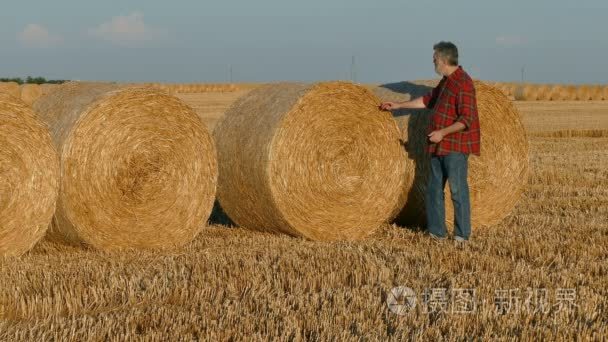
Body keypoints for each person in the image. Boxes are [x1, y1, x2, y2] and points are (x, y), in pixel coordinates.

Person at [380, 41, 481, 242]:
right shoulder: (446, 81)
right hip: (438, 145)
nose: (433, 62)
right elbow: (427, 100)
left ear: (443, 59)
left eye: (434, 58)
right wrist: (398, 105)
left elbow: (466, 119)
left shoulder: (463, 83)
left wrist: (442, 133)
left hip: (455, 147)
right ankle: (437, 233)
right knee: (434, 189)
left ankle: (462, 235)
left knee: (457, 190)